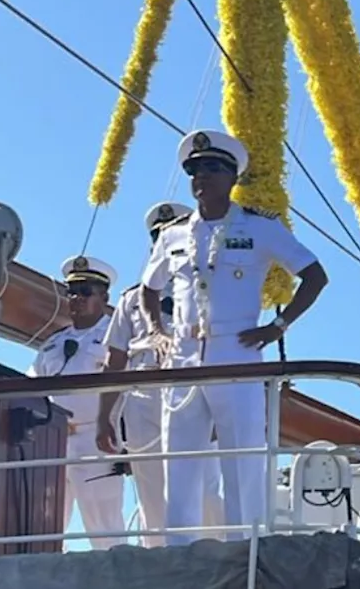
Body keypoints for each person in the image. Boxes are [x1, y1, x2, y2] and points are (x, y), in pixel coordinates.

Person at [141, 129, 329, 545]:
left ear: (231, 177)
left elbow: (315, 276)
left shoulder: (259, 228)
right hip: (184, 355)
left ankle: (246, 555)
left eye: (211, 168)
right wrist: (158, 332)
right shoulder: (173, 235)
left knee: (242, 462)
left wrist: (277, 327)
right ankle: (179, 558)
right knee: (181, 464)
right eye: (195, 170)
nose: (200, 178)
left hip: (238, 351)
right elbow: (148, 288)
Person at [96, 201, 224, 547]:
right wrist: (104, 415)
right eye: (158, 236)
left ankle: (219, 563)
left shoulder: (208, 287)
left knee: (205, 490)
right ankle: (161, 573)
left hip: (192, 392)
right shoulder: (131, 299)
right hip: (141, 398)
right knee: (152, 496)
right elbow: (115, 359)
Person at [28, 255, 127, 551]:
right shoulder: (54, 342)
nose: (76, 298)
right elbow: (31, 382)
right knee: (45, 526)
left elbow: (129, 392)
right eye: (71, 291)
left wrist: (128, 443)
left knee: (105, 527)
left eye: (86, 292)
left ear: (104, 297)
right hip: (53, 440)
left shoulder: (116, 338)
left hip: (97, 441)